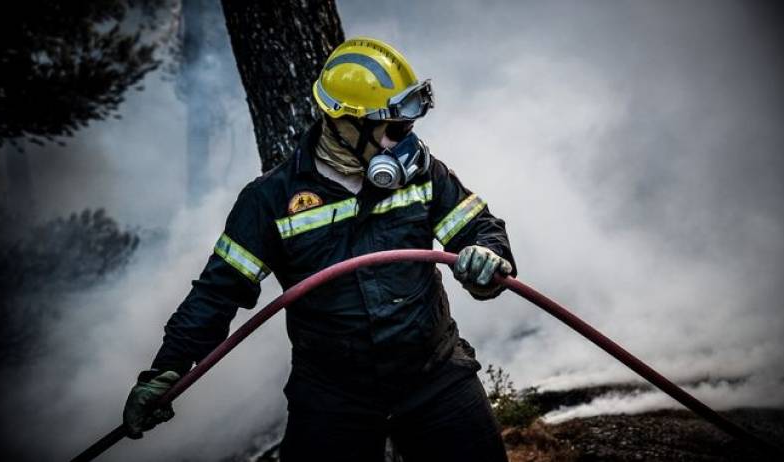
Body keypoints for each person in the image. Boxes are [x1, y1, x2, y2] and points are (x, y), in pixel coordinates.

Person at [123, 37, 517, 462]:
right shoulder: (269, 200)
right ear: (345, 124)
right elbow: (217, 293)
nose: (406, 141)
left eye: (409, 127)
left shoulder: (423, 174)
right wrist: (166, 370)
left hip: (435, 376)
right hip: (333, 396)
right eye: (394, 129)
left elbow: (480, 228)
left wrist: (487, 257)